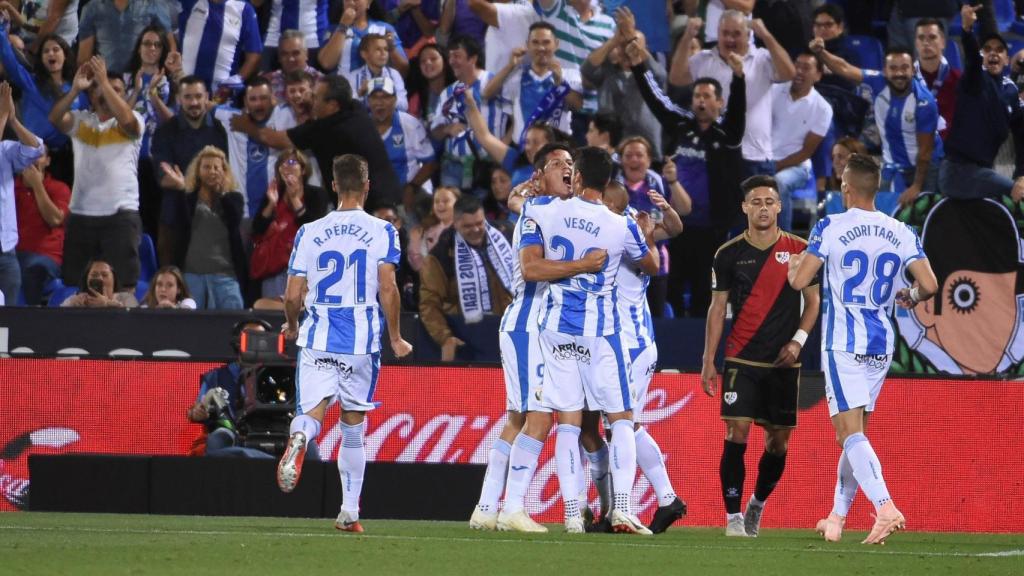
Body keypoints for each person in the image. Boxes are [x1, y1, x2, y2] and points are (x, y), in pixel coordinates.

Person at [788, 153, 939, 544]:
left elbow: (800, 280)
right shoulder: (901, 231)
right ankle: (836, 518)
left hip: (843, 342)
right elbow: (931, 284)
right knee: (857, 434)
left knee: (847, 433)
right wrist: (910, 293)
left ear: (846, 187)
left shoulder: (830, 226)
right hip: (881, 342)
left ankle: (886, 507)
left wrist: (794, 268)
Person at [513, 146, 658, 534]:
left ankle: (572, 514)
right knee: (622, 419)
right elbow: (650, 265)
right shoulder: (619, 225)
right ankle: (623, 507)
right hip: (601, 333)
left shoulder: (543, 211)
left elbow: (529, 265)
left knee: (569, 423)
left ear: (577, 178)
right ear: (607, 181)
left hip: (556, 329)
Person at [276, 154, 413, 534]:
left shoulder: (309, 232)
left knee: (312, 412)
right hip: (361, 342)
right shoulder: (384, 231)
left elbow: (291, 294)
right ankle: (349, 511)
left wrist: (291, 326)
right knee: (353, 425)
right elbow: (388, 288)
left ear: (334, 185)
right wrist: (397, 337)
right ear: (367, 187)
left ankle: (300, 436)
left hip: (318, 337)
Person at [469, 141, 583, 532]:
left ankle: (485, 507)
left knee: (517, 417)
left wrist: (520, 197)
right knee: (541, 416)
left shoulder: (551, 210)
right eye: (557, 164)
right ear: (540, 175)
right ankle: (513, 506)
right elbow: (532, 270)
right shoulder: (537, 213)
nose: (567, 168)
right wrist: (584, 264)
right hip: (529, 323)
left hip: (539, 327)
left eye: (571, 162)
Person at [701, 175, 821, 537]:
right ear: (744, 207)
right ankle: (733, 518)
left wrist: (798, 341)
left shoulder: (801, 249)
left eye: (769, 201)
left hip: (784, 360)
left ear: (780, 206)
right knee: (736, 432)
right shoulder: (728, 254)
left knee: (777, 442)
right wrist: (709, 359)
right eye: (756, 202)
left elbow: (814, 303)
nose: (763, 208)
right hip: (741, 358)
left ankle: (757, 504)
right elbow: (716, 308)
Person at [630, 40, 746, 317]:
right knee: (674, 288)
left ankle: (699, 352)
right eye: (697, 96)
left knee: (704, 293)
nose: (701, 101)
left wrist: (739, 79)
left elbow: (739, 112)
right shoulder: (680, 124)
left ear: (720, 102)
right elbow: (656, 99)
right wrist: (638, 67)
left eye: (707, 96)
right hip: (677, 226)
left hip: (713, 229)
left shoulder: (728, 135)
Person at [602, 180, 686, 534]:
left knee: (623, 424)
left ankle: (636, 506)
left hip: (633, 343)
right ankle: (665, 501)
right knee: (621, 425)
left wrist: (664, 211)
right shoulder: (616, 228)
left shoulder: (630, 227)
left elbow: (676, 229)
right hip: (618, 343)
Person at [230, 74, 402, 211]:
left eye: (316, 97)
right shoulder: (356, 109)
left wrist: (247, 126)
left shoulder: (325, 130)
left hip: (370, 209)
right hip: (390, 198)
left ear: (332, 105)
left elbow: (274, 139)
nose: (311, 100)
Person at [49, 56, 144, 290]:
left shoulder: (133, 121)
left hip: (120, 215)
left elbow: (127, 120)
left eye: (115, 90)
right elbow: (54, 118)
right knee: (75, 284)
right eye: (100, 89)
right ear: (91, 95)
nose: (106, 93)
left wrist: (102, 80)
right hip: (81, 215)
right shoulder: (82, 121)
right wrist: (73, 91)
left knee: (124, 285)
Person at [810, 41, 943, 208]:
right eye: (893, 68)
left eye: (904, 67)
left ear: (913, 70)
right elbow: (844, 68)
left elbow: (925, 152)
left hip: (926, 167)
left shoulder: (924, 102)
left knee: (923, 216)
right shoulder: (877, 82)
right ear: (885, 71)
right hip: (893, 166)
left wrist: (917, 186)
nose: (899, 73)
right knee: (885, 215)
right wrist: (821, 52)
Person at [670, 11, 795, 178]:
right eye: (725, 33)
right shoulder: (704, 59)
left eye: (736, 34)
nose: (730, 39)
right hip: (715, 153)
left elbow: (789, 73)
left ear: (748, 34)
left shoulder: (761, 58)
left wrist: (766, 35)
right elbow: (676, 78)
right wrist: (687, 36)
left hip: (754, 156)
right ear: (718, 34)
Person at [939, 5, 1024, 202]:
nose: (993, 53)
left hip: (983, 172)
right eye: (987, 49)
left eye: (999, 50)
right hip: (957, 172)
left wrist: (1021, 173)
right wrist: (967, 32)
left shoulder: (1010, 91)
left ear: (1006, 59)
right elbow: (972, 63)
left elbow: (1022, 132)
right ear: (981, 56)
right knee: (1017, 193)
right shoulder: (973, 80)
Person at [419, 194, 514, 362]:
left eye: (479, 223)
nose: (476, 229)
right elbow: (429, 304)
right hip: (467, 340)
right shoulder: (440, 256)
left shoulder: (507, 236)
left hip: (510, 335)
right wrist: (445, 338)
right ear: (455, 224)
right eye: (467, 226)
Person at [151, 75, 228, 264]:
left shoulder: (220, 130)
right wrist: (202, 183)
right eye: (187, 97)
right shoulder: (165, 131)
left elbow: (225, 174)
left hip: (213, 217)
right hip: (174, 218)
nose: (194, 102)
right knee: (171, 280)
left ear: (206, 97)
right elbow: (164, 176)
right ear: (178, 98)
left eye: (198, 96)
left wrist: (184, 183)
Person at [159, 146, 246, 310]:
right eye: (206, 167)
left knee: (233, 327)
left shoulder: (234, 198)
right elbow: (180, 225)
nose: (212, 171)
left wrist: (221, 193)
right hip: (192, 277)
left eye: (216, 167)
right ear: (198, 171)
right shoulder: (188, 199)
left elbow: (234, 221)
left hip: (225, 277)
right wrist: (180, 190)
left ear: (224, 171)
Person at [616, 135, 692, 317]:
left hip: (658, 265)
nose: (634, 159)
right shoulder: (612, 187)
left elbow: (685, 210)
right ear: (620, 160)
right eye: (628, 155)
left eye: (639, 155)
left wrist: (673, 182)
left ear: (649, 159)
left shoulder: (660, 183)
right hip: (622, 266)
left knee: (656, 320)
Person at [482, 21, 583, 145]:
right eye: (535, 42)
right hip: (524, 149)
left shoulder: (570, 75)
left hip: (557, 149)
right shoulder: (516, 76)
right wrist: (510, 66)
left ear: (556, 44)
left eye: (546, 42)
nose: (541, 48)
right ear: (527, 45)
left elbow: (578, 105)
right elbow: (486, 94)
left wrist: (560, 83)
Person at [582, 11, 665, 159]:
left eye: (633, 44)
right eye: (623, 45)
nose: (628, 50)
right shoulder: (607, 72)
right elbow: (587, 69)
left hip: (648, 150)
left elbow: (660, 75)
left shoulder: (651, 75)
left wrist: (631, 36)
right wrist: (614, 40)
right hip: (610, 149)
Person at [250, 149, 329, 299]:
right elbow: (257, 230)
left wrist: (295, 199)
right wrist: (271, 205)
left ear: (303, 169)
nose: (286, 166)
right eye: (282, 164)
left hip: (304, 270)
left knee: (302, 315)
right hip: (274, 266)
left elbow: (314, 229)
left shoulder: (316, 194)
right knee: (272, 315)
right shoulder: (273, 194)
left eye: (292, 162)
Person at [429, 35, 503, 189]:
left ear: (473, 59)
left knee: (480, 212)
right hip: (453, 166)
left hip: (486, 165)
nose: (451, 61)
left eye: (457, 56)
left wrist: (504, 150)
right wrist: (448, 129)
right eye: (450, 57)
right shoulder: (448, 92)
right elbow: (435, 131)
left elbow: (515, 120)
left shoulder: (494, 82)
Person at [770, 50, 832, 231]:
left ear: (818, 75)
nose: (799, 71)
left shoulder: (823, 108)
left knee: (779, 182)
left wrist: (774, 167)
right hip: (763, 159)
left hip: (796, 166)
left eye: (806, 68)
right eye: (796, 65)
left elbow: (806, 152)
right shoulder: (773, 91)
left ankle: (785, 242)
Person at [124, 25, 173, 241]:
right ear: (138, 48)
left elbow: (170, 122)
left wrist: (153, 94)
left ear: (162, 51)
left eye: (157, 45)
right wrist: (136, 90)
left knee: (154, 220)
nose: (151, 49)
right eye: (146, 43)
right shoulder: (125, 78)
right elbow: (120, 117)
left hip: (156, 159)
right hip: (128, 158)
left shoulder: (169, 82)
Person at [0, 81, 44, 304]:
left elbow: (36, 149)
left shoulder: (5, 149)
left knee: (8, 323)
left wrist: (13, 121)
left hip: (6, 253)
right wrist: (3, 116)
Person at [15, 142, 69, 305]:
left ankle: (34, 319)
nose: (32, 159)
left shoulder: (59, 188)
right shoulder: (9, 188)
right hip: (12, 255)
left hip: (45, 257)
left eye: (38, 155)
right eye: (27, 154)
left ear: (48, 161)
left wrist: (37, 185)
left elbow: (54, 220)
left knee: (33, 269)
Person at [213, 77, 274, 218]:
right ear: (246, 102)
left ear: (272, 99)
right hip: (242, 214)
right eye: (253, 99)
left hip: (276, 212)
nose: (258, 104)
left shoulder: (284, 116)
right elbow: (203, 105)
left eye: (263, 98)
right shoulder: (231, 118)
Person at [368, 77, 434, 197]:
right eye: (375, 97)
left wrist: (412, 188)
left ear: (395, 100)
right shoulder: (361, 126)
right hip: (374, 194)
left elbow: (430, 163)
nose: (379, 102)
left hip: (408, 189)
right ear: (368, 101)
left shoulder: (410, 124)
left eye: (385, 97)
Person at [178, 0, 263, 89]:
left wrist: (236, 80)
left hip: (221, 93)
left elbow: (254, 54)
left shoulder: (244, 9)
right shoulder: (188, 2)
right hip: (186, 90)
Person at [77, 0, 175, 75]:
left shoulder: (153, 5)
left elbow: (170, 47)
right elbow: (84, 57)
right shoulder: (92, 8)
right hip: (106, 81)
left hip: (143, 80)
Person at [318, 0, 408, 77]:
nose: (351, 3)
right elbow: (326, 63)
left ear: (368, 2)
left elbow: (403, 70)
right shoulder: (334, 30)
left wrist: (391, 48)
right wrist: (343, 25)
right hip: (345, 92)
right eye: (347, 0)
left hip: (378, 91)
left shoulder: (385, 29)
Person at [914, 18, 960, 140]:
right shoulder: (906, 81)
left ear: (943, 42)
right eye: (921, 38)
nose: (926, 43)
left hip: (950, 152)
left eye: (932, 37)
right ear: (916, 43)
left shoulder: (958, 80)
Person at [348, 33, 408, 110]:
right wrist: (360, 94)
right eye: (378, 49)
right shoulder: (352, 76)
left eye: (386, 49)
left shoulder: (394, 74)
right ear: (364, 54)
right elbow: (348, 108)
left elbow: (404, 106)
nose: (383, 53)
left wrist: (387, 96)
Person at [262, 2, 330, 71]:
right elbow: (256, 3)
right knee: (266, 79)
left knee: (315, 79)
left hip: (314, 41)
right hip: (274, 40)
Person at [262, 29, 324, 102]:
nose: (291, 59)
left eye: (296, 53)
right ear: (279, 57)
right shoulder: (268, 81)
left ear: (306, 54)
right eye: (285, 54)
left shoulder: (321, 81)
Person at [408, 185, 459, 272]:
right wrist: (415, 242)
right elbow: (417, 266)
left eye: (446, 201)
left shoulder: (467, 228)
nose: (440, 204)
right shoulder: (425, 231)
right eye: (436, 201)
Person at [60, 258, 138, 307]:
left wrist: (108, 304)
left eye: (104, 275)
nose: (99, 278)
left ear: (114, 279)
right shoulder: (77, 299)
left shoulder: (126, 298)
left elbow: (135, 321)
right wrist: (71, 305)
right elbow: (58, 318)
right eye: (94, 275)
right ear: (86, 279)